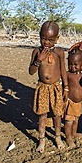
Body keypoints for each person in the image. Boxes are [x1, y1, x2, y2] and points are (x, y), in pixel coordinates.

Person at [29, 21, 68, 153]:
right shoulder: (36, 52)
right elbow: (31, 71)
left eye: (50, 40)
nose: (46, 42)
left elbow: (63, 71)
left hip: (56, 87)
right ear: (39, 36)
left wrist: (66, 88)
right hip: (42, 87)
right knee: (42, 115)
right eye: (43, 39)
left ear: (57, 39)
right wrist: (38, 60)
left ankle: (57, 138)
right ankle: (42, 140)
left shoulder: (59, 53)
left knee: (57, 114)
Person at [64, 49, 82, 147]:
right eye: (70, 64)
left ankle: (74, 133)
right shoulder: (68, 74)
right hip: (70, 102)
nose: (73, 67)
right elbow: (64, 87)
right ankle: (68, 137)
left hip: (78, 103)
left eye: (75, 64)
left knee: (76, 119)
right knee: (69, 120)